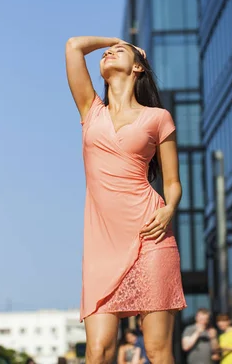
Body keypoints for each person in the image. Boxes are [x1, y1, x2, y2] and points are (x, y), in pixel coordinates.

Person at [65, 35, 186, 364]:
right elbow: (74, 46)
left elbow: (172, 181)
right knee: (98, 351)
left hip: (151, 236)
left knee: (159, 350)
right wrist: (118, 40)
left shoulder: (158, 118)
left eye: (118, 51)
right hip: (101, 247)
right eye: (106, 51)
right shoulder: (91, 111)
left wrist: (170, 210)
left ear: (137, 67)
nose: (107, 52)